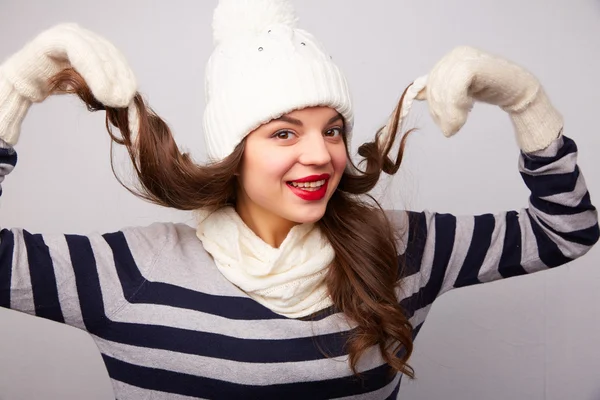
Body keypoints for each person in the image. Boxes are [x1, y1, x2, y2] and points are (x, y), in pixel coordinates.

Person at [0, 0, 598, 399]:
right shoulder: (130, 271)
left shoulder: (400, 247)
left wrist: (525, 101)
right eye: (284, 132)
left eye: (332, 128)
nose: (320, 154)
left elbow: (565, 231)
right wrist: (14, 90)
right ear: (235, 152)